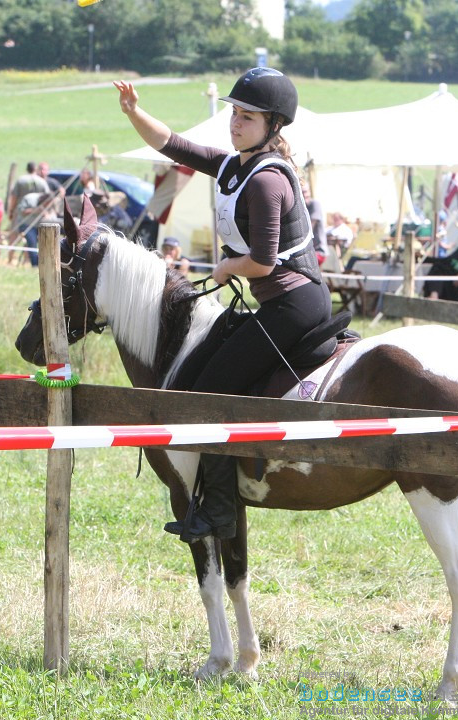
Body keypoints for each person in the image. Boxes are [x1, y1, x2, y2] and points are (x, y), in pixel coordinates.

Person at [115, 67, 330, 543]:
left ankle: (218, 510)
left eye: (247, 116)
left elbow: (263, 261)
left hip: (296, 305)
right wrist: (134, 111)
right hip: (280, 303)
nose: (235, 123)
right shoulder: (236, 166)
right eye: (234, 113)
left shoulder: (266, 181)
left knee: (210, 391)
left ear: (273, 125)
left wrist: (226, 269)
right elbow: (173, 145)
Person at [301, 181, 327, 265]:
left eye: (305, 191)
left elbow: (309, 229)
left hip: (318, 251)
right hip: (307, 251)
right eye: (301, 192)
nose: (304, 195)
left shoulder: (314, 205)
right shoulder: (300, 208)